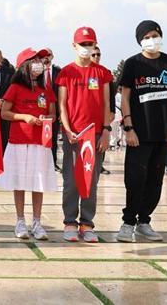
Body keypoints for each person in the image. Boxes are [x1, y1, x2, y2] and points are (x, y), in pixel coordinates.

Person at [117, 21, 167, 243]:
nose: (151, 40)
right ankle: (128, 223)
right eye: (146, 37)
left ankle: (144, 221)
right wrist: (129, 127)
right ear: (139, 40)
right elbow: (125, 98)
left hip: (163, 133)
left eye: (154, 35)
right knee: (135, 179)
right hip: (139, 133)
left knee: (156, 180)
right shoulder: (133, 64)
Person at [55, 26, 113, 243]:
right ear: (74, 46)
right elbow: (62, 104)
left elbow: (107, 103)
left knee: (91, 180)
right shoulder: (66, 73)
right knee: (71, 180)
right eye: (83, 44)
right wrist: (68, 129)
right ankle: (70, 221)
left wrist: (106, 131)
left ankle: (86, 223)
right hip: (74, 135)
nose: (87, 48)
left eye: (90, 44)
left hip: (96, 135)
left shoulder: (103, 73)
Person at [0, 48, 57, 240]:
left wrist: (46, 118)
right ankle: (20, 220)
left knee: (38, 182)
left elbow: (53, 114)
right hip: (19, 141)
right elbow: (4, 113)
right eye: (34, 60)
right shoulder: (15, 87)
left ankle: (37, 222)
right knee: (20, 181)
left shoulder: (45, 89)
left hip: (40, 142)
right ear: (24, 65)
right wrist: (25, 117)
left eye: (40, 60)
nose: (38, 64)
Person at [90, 46, 115, 175]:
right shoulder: (82, 72)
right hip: (88, 113)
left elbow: (111, 94)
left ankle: (100, 165)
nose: (96, 57)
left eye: (98, 54)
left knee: (102, 138)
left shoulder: (105, 72)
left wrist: (112, 111)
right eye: (93, 55)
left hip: (103, 113)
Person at [41, 49, 62, 171]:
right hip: (41, 110)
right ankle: (41, 163)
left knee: (53, 138)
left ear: (52, 56)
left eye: (48, 55)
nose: (46, 58)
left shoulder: (59, 72)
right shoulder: (37, 73)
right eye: (43, 56)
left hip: (55, 111)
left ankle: (53, 163)